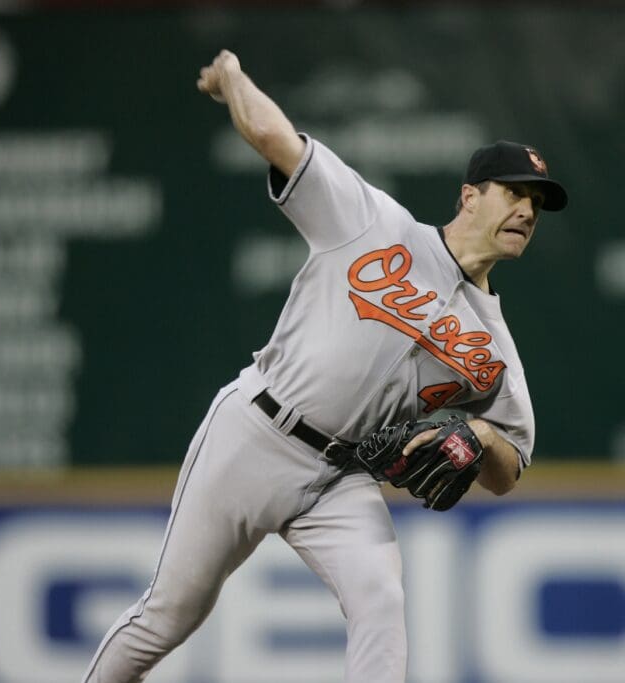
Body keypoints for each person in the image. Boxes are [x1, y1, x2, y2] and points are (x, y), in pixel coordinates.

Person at [82, 49, 568, 683]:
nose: (528, 211)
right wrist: (232, 79)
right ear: (470, 196)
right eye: (515, 193)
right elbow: (272, 137)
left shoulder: (494, 346)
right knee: (168, 618)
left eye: (537, 203)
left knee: (381, 600)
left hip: (338, 476)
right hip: (256, 432)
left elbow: (510, 467)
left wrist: (477, 435)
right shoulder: (374, 223)